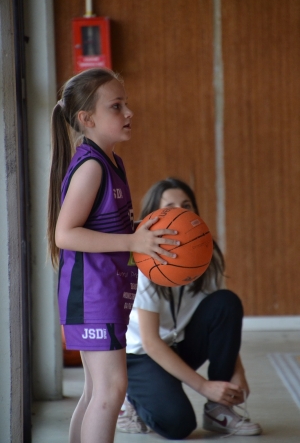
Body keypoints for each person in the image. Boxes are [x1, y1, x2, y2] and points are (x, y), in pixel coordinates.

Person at [47, 69, 178, 443]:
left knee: (97, 391)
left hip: (105, 290)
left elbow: (109, 226)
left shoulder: (111, 162)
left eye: (126, 104)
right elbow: (65, 233)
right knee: (111, 391)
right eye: (116, 106)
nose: (129, 112)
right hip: (91, 293)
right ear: (86, 120)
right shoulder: (91, 166)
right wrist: (132, 243)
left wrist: (140, 233)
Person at [116, 177, 262, 439]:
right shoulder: (146, 261)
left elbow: (222, 322)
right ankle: (131, 400)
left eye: (186, 205)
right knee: (178, 425)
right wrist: (204, 386)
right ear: (155, 216)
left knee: (226, 302)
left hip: (179, 345)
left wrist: (236, 375)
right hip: (141, 357)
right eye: (170, 207)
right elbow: (150, 342)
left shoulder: (206, 253)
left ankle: (220, 409)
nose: (180, 212)